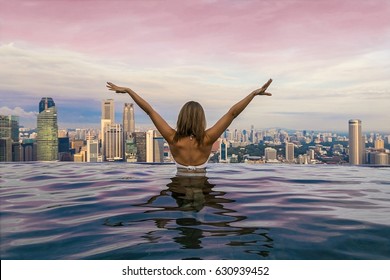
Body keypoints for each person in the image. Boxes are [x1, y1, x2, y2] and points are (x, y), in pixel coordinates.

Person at [106, 79, 272, 173]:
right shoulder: (207, 140)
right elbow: (232, 113)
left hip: (178, 187)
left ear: (181, 117)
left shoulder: (173, 139)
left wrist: (128, 90)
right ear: (201, 119)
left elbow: (149, 111)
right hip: (202, 188)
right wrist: (253, 94)